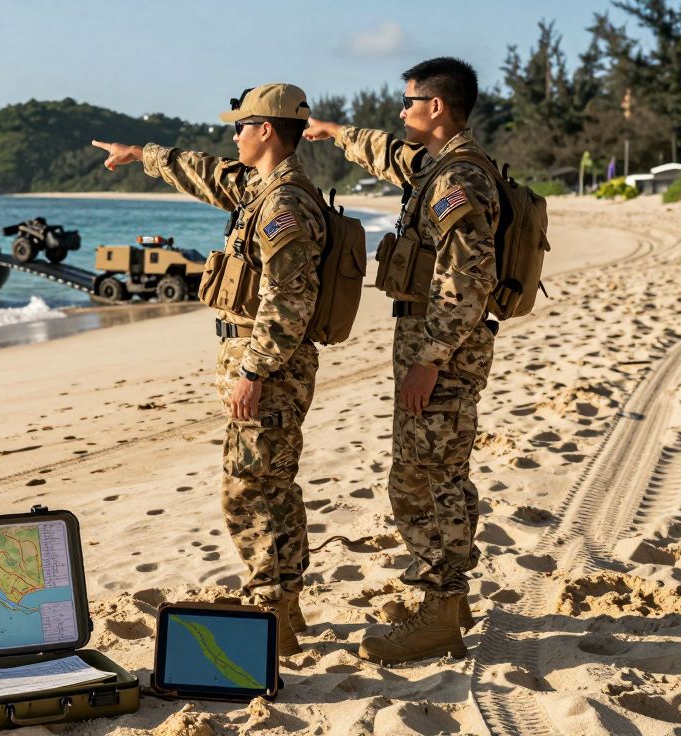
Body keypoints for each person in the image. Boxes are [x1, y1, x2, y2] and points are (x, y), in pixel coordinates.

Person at [92, 83, 326, 656]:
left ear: (266, 130)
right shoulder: (258, 188)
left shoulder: (285, 204)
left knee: (248, 491)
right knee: (272, 486)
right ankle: (284, 612)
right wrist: (139, 154)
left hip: (268, 369)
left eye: (241, 126)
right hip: (260, 364)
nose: (234, 135)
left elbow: (287, 298)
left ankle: (272, 612)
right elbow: (204, 171)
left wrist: (255, 372)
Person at [303, 57, 499, 665]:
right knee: (445, 473)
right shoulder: (439, 166)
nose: (401, 110)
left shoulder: (457, 181)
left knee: (420, 481)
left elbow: (469, 279)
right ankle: (449, 600)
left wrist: (431, 359)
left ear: (436, 107)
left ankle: (438, 614)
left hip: (440, 352)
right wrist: (335, 134)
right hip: (439, 349)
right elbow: (390, 152)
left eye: (409, 101)